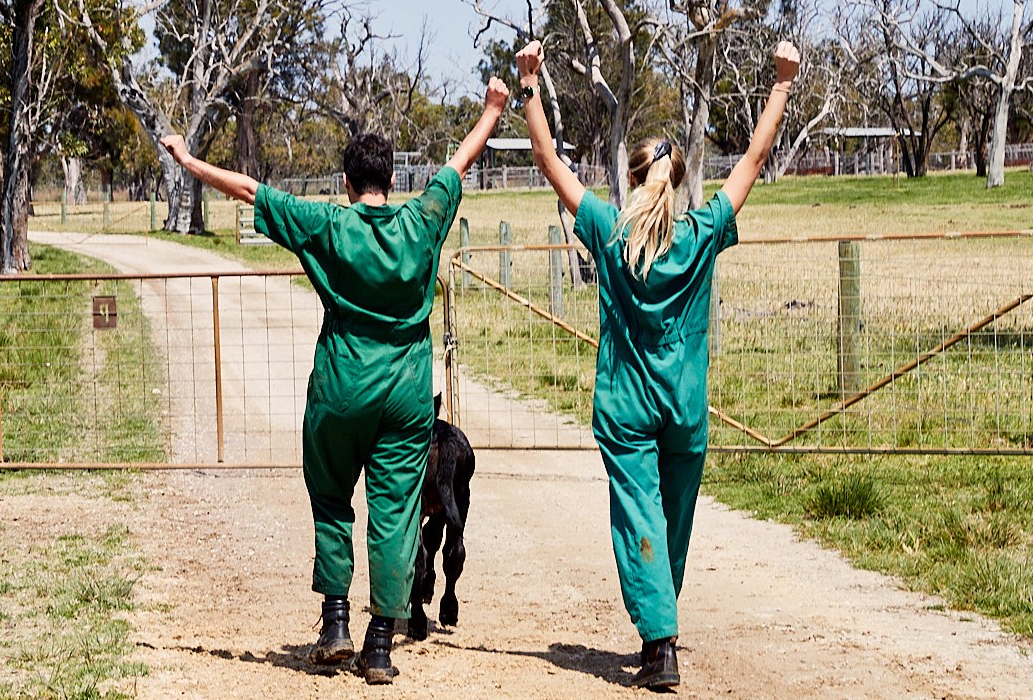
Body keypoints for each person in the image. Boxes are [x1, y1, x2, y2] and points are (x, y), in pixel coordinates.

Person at [158, 77, 509, 684]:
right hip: (404, 395)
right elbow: (461, 158)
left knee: (330, 498)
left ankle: (336, 620)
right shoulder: (423, 220)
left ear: (347, 185)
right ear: (393, 181)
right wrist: (494, 110)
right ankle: (380, 644)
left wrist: (188, 161)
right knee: (396, 511)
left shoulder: (327, 224)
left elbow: (247, 189)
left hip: (341, 386)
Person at [513, 39, 799, 689]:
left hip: (626, 407)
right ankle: (661, 630)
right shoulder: (699, 234)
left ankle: (658, 641)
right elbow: (754, 158)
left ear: (633, 180)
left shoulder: (610, 232)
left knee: (638, 516)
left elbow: (547, 160)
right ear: (674, 184)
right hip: (684, 404)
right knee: (673, 519)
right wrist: (781, 82)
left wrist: (530, 83)